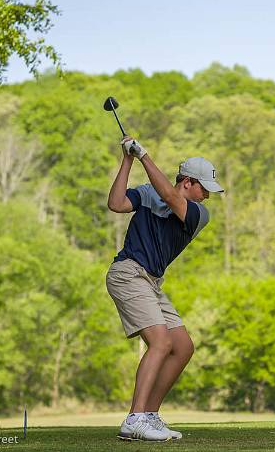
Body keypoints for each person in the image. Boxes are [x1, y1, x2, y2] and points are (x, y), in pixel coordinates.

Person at [105, 136, 223, 441]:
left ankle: (150, 415)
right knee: (160, 342)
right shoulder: (148, 194)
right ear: (188, 182)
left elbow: (171, 198)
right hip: (128, 273)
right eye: (204, 189)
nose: (208, 196)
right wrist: (128, 159)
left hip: (152, 282)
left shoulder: (199, 214)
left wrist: (144, 155)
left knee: (182, 346)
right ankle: (135, 419)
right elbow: (116, 203)